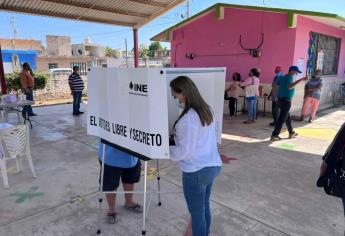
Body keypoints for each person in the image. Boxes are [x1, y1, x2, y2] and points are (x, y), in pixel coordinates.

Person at [169, 76, 222, 236]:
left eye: (175, 96)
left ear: (183, 94)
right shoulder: (206, 110)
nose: (175, 99)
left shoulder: (188, 120)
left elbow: (185, 152)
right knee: (204, 206)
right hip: (211, 166)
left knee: (197, 213)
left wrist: (166, 151)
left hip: (196, 171)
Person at [98, 142, 142, 224]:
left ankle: (129, 202)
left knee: (130, 179)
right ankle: (112, 209)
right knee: (110, 185)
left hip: (132, 155)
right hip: (110, 156)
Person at [271, 66, 306, 141]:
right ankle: (274, 135)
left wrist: (276, 97)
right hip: (286, 101)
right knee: (281, 119)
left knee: (287, 117)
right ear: (292, 71)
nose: (296, 74)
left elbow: (274, 86)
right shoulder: (289, 78)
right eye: (296, 72)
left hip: (281, 100)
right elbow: (289, 87)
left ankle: (291, 132)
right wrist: (300, 80)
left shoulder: (282, 77)